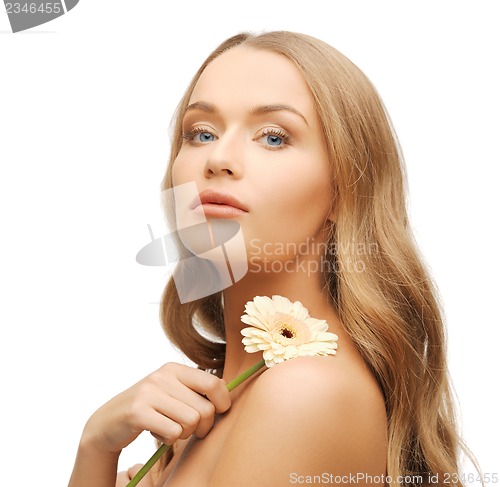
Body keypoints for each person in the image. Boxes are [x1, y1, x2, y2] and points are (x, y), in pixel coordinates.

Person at [68, 31, 479, 487]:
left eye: (274, 137)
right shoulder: (211, 408)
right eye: (201, 133)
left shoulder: (303, 393)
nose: (219, 158)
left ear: (347, 188)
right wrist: (96, 448)